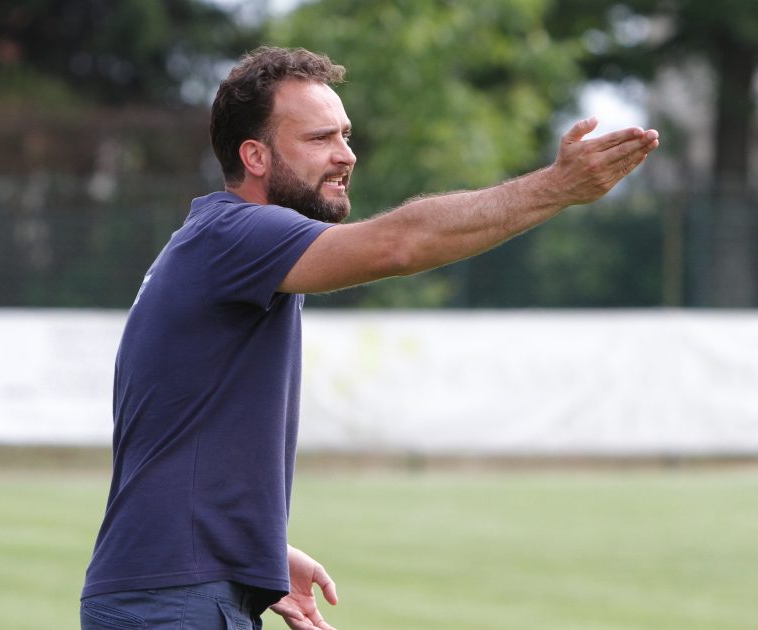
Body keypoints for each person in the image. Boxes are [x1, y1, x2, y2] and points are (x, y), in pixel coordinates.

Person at [80, 46, 659, 630]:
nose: (346, 155)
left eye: (346, 135)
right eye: (319, 139)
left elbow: (172, 436)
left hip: (175, 586)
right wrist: (556, 187)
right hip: (174, 600)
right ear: (254, 155)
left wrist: (251, 551)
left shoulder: (217, 246)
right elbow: (399, 244)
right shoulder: (237, 235)